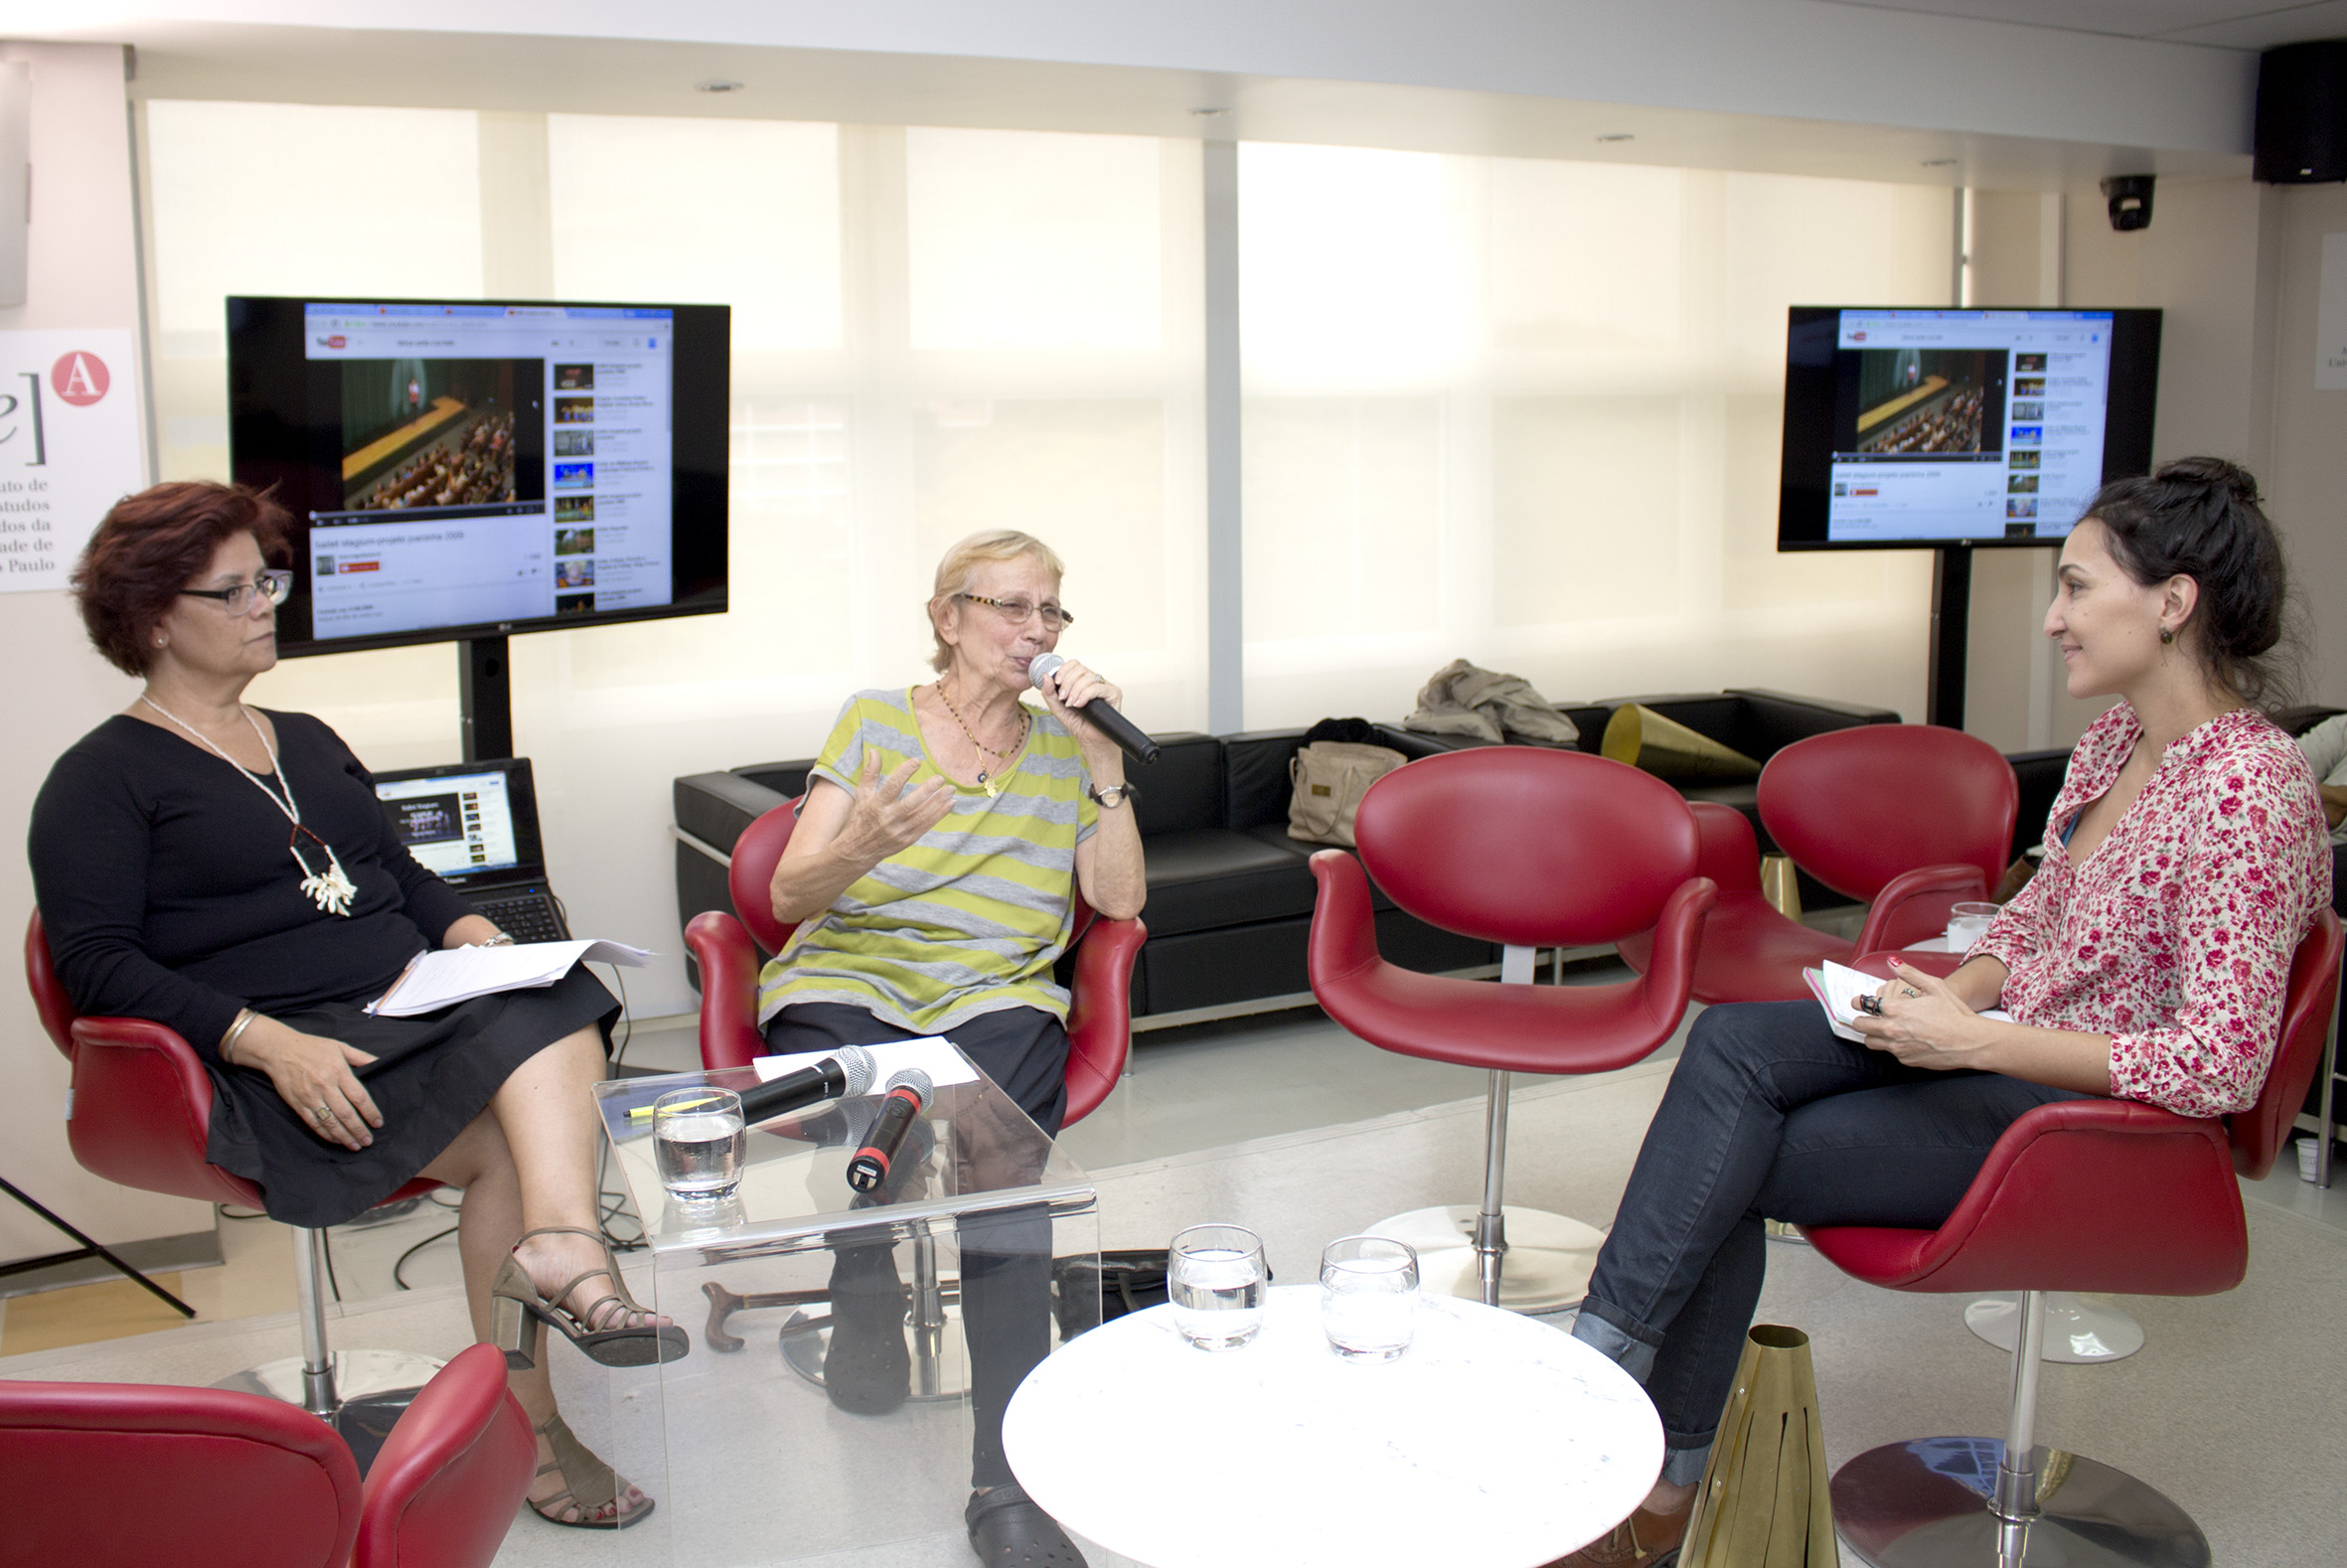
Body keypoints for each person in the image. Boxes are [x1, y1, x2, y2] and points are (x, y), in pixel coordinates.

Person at [1551, 456, 2330, 1568]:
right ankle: (1616, 1412)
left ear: (2171, 601)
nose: (2054, 619)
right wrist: (1950, 992)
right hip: (1995, 1055)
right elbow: (2035, 918)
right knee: (1730, 1047)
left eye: (2074, 587)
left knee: (1737, 1155)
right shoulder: (2117, 744)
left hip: (2085, 1125)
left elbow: (2219, 1065)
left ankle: (1624, 1453)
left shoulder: (2249, 789)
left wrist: (1978, 1040)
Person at [29, 481, 682, 1531]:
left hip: (407, 1015)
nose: (263, 604)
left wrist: (471, 936)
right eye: (233, 589)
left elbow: (398, 877)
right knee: (529, 1082)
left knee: (550, 987)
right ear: (152, 619)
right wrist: (264, 1042)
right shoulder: (98, 780)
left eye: (267, 580)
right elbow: (96, 965)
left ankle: (549, 1311)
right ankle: (552, 1348)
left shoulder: (305, 733)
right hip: (272, 1058)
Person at [757, 528, 1145, 1568]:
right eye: (1011, 607)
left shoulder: (1067, 744)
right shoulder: (876, 721)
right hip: (851, 969)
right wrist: (861, 846)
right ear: (948, 619)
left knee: (1003, 1167)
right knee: (860, 1102)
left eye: (1050, 612)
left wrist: (1104, 756)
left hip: (995, 990)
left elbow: (1118, 900)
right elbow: (787, 897)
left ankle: (1004, 1481)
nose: (1036, 631)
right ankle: (866, 1284)